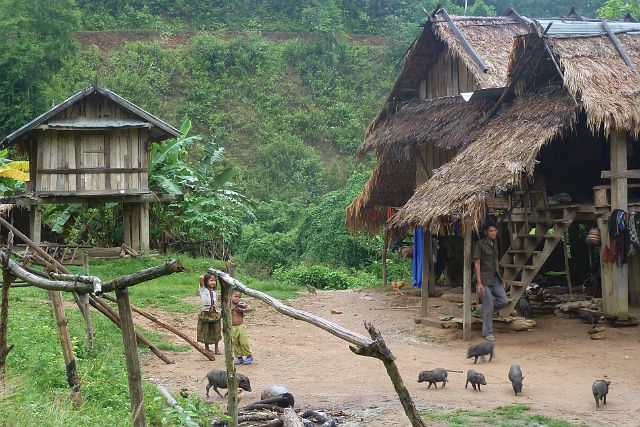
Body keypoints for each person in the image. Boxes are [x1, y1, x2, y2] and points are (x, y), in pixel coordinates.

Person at [473, 222, 508, 342]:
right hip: (484, 279)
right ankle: (487, 332)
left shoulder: (495, 244)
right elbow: (477, 263)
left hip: (495, 278)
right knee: (489, 306)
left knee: (504, 301)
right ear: (486, 232)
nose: (493, 233)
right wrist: (479, 283)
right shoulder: (480, 244)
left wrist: (501, 279)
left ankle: (484, 310)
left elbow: (495, 263)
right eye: (491, 231)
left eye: (495, 231)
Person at [197, 272, 222, 355]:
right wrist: (208, 273)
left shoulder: (215, 292)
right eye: (211, 280)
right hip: (206, 313)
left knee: (216, 331)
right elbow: (201, 277)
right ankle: (207, 348)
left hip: (214, 314)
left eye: (215, 281)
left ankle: (216, 348)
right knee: (206, 331)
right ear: (206, 281)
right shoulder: (203, 289)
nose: (213, 282)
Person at [231, 288, 254, 365]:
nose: (237, 298)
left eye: (239, 297)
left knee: (243, 342)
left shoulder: (241, 304)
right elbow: (222, 313)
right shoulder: (228, 305)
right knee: (235, 343)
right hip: (232, 328)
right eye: (235, 296)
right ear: (230, 296)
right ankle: (239, 357)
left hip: (240, 326)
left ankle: (249, 356)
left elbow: (250, 308)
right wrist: (232, 309)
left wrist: (242, 310)